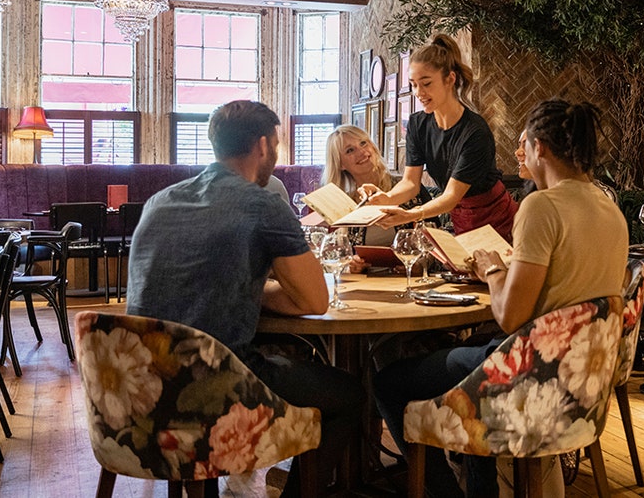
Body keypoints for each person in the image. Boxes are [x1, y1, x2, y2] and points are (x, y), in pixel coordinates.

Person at [374, 99, 627, 497]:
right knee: (469, 359)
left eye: (523, 143)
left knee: (389, 381)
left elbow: (511, 318)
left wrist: (491, 267)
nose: (517, 152)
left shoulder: (541, 206)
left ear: (540, 147)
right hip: (580, 380)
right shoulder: (608, 207)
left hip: (531, 374)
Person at [126, 100, 366, 495]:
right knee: (350, 394)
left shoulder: (160, 200)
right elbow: (313, 301)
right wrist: (265, 289)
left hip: (141, 393)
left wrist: (249, 288)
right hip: (216, 387)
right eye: (277, 143)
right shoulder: (264, 204)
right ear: (263, 146)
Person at [364, 34, 518, 240]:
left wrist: (411, 214)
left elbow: (452, 196)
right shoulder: (417, 124)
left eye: (426, 83)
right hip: (461, 218)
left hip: (499, 220)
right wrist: (387, 197)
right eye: (413, 84)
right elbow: (411, 183)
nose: (419, 92)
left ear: (450, 79)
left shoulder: (475, 131)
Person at [321, 124, 431, 258]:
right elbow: (336, 254)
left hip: (409, 276)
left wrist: (419, 264)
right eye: (350, 150)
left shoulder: (408, 187)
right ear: (340, 164)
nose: (362, 152)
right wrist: (351, 264)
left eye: (363, 143)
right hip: (363, 278)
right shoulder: (343, 203)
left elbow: (436, 238)